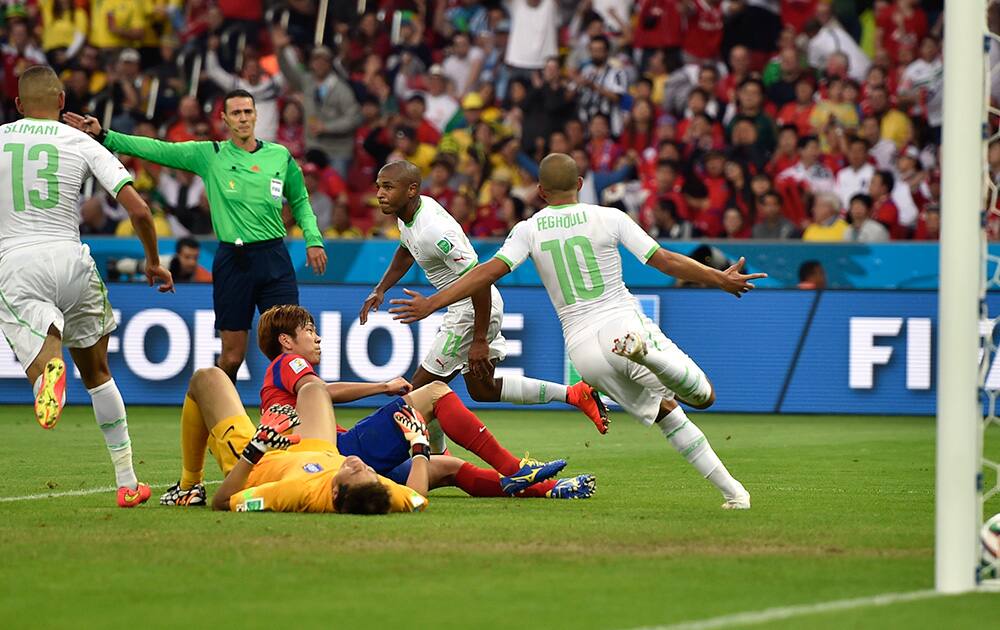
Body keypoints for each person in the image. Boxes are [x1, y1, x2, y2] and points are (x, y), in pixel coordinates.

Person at [390, 153, 766, 510]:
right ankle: (645, 354)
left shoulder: (528, 228)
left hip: (583, 351)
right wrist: (719, 278)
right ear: (581, 184)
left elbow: (485, 273)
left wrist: (431, 303)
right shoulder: (609, 217)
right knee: (703, 398)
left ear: (539, 192)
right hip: (621, 323)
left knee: (667, 413)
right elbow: (662, 260)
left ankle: (734, 493)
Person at [64, 89, 328, 383]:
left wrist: (313, 239)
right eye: (236, 113)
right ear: (224, 119)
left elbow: (301, 201)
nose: (243, 118)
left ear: (256, 115)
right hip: (234, 261)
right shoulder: (210, 155)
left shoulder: (279, 156)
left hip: (274, 259)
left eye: (248, 112)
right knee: (231, 356)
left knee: (289, 355)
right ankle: (219, 421)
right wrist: (106, 136)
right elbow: (157, 149)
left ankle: (288, 423)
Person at [0, 66, 174, 507]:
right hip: (73, 260)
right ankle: (128, 482)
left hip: (18, 261)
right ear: (62, 101)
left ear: (18, 105)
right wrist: (153, 262)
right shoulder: (79, 140)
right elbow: (138, 210)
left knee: (41, 347)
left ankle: (47, 375)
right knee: (98, 375)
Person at [359, 160, 611, 453]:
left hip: (475, 306)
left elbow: (479, 279)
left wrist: (479, 339)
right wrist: (380, 288)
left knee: (419, 391)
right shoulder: (408, 213)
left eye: (387, 187)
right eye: (378, 186)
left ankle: (437, 459)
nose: (379, 193)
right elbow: (406, 249)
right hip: (465, 307)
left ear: (412, 189)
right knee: (482, 390)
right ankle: (575, 394)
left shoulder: (436, 232)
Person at [163, 363, 594, 509]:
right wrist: (418, 445)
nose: (316, 339)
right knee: (437, 395)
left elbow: (229, 500)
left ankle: (187, 487)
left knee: (208, 377)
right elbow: (416, 498)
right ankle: (518, 472)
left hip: (292, 450)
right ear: (287, 340)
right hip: (323, 446)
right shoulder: (287, 364)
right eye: (308, 332)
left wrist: (259, 449)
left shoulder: (298, 491)